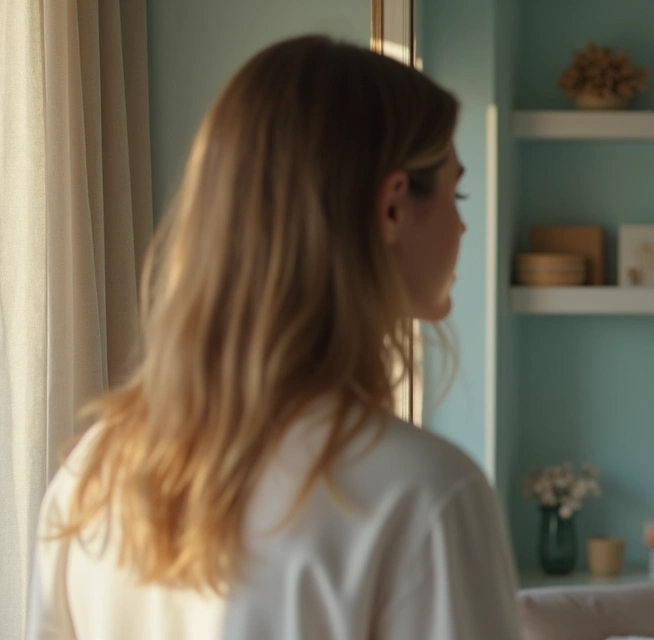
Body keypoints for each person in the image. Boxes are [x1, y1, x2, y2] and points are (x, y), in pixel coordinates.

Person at [27, 36, 520, 640]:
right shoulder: (423, 497)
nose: (464, 224)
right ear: (392, 206)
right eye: (455, 192)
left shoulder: (93, 474)